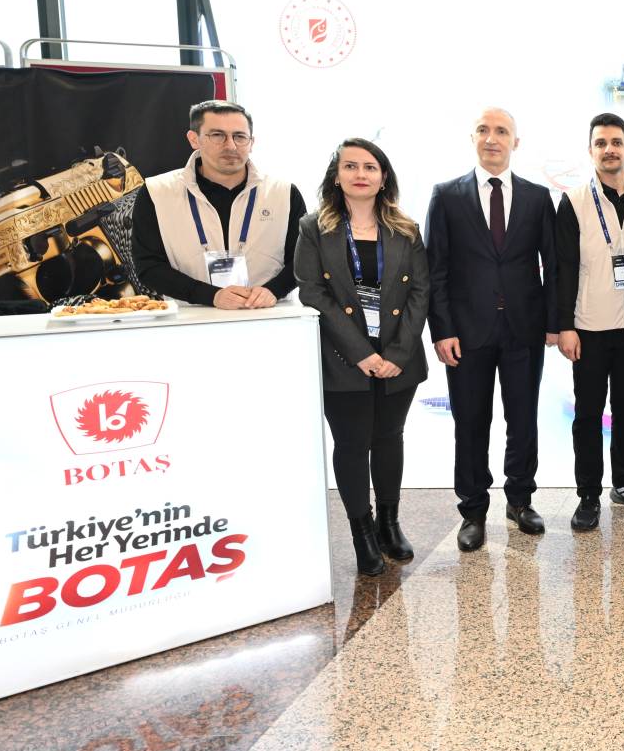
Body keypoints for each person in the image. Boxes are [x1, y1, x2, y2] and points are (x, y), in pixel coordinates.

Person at [426, 107, 558, 553]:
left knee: (522, 420)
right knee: (470, 423)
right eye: (483, 130)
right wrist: (442, 330)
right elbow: (435, 268)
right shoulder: (446, 195)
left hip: (524, 329)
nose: (492, 138)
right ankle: (473, 510)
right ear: (473, 138)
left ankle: (520, 500)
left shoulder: (538, 198)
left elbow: (553, 266)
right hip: (466, 333)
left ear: (515, 142)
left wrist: (554, 323)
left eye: (502, 131)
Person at [295, 139, 429, 575]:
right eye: (350, 166)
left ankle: (390, 524)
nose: (360, 174)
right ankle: (363, 535)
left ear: (383, 177)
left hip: (397, 358)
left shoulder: (406, 229)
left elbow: (420, 292)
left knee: (390, 438)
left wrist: (397, 353)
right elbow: (313, 292)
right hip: (343, 358)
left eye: (370, 167)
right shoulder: (314, 228)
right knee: (352, 445)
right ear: (336, 176)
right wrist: (361, 354)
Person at [555, 113, 624, 531]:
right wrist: (565, 325)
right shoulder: (575, 201)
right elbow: (562, 268)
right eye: (601, 143)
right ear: (591, 150)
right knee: (588, 415)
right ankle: (588, 494)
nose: (609, 149)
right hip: (589, 327)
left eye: (616, 142)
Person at [132, 100, 306, 308]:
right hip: (191, 317)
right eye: (217, 135)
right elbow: (148, 266)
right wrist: (210, 295)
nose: (230, 146)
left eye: (239, 136)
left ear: (251, 142)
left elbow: (304, 259)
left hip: (268, 313)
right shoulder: (157, 192)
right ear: (194, 139)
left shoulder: (283, 193)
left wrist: (273, 290)